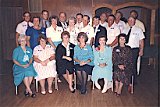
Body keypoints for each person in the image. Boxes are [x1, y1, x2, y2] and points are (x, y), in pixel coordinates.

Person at [122, 16, 145, 85]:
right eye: (129, 20)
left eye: (132, 20)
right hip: (126, 49)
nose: (130, 22)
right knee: (126, 64)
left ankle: (133, 81)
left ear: (135, 21)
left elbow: (141, 41)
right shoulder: (125, 30)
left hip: (134, 49)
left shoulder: (139, 30)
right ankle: (126, 79)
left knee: (133, 65)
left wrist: (141, 50)